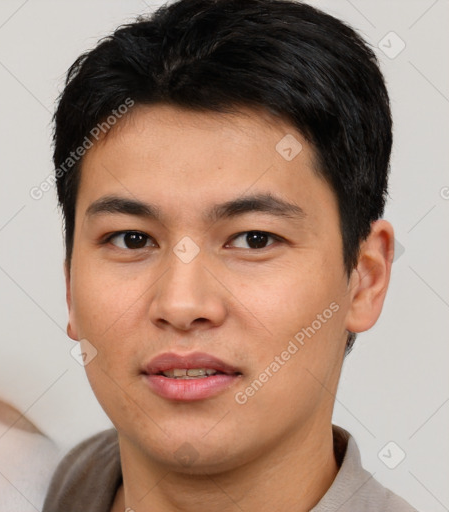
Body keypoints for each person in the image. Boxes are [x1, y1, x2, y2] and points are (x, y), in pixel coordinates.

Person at [42, 0, 418, 510]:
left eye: (254, 240)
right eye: (132, 239)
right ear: (69, 285)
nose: (181, 304)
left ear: (365, 279)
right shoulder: (60, 486)